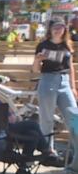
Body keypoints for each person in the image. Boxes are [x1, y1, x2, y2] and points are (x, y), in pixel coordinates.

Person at [0, 72, 62, 174]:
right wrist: (5, 118)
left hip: (8, 130)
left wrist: (12, 116)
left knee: (33, 134)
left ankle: (23, 169)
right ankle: (48, 151)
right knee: (32, 124)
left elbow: (9, 114)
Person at [33, 17, 78, 151]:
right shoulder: (43, 45)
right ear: (50, 30)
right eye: (55, 28)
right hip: (48, 80)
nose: (58, 30)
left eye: (61, 27)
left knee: (73, 115)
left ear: (65, 29)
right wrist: (37, 60)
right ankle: (47, 151)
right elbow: (36, 69)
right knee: (46, 119)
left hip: (64, 82)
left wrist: (73, 87)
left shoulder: (66, 45)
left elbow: (71, 68)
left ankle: (76, 150)